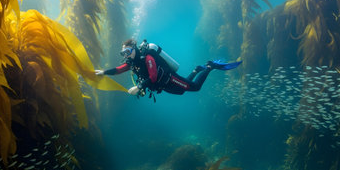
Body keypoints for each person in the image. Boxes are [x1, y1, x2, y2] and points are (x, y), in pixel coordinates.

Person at [95, 39, 242, 98]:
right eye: (123, 53)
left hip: (169, 79)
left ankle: (210, 66)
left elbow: (152, 77)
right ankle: (196, 71)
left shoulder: (147, 57)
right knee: (182, 91)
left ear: (134, 49)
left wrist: (138, 86)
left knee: (195, 87)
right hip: (164, 85)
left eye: (128, 51)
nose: (126, 55)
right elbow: (119, 69)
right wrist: (104, 72)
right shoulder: (132, 62)